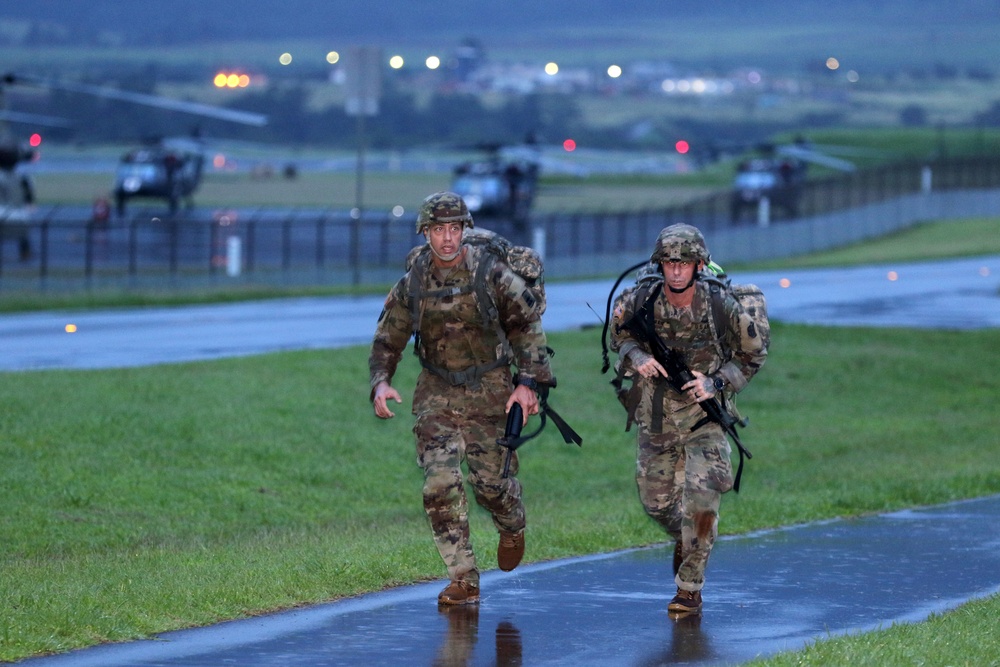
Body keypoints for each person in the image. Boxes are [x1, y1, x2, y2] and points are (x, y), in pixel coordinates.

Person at [369, 191, 554, 606]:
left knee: (491, 485)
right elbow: (388, 334)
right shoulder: (414, 279)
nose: (447, 239)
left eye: (454, 229)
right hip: (436, 388)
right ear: (426, 233)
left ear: (464, 231)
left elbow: (528, 329)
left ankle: (512, 522)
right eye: (438, 230)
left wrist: (528, 383)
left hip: (490, 387)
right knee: (439, 482)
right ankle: (464, 578)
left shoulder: (490, 273)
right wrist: (381, 381)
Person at [609, 223, 768, 615]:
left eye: (684, 264)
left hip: (704, 419)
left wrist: (716, 382)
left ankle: (689, 589)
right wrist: (636, 357)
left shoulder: (721, 306)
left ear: (699, 265)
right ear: (660, 265)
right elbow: (620, 334)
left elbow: (753, 353)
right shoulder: (643, 297)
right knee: (656, 501)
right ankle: (687, 540)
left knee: (701, 506)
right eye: (669, 264)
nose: (676, 271)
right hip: (658, 416)